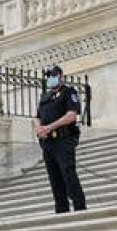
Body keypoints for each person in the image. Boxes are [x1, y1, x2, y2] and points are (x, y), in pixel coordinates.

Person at [33, 64, 87, 213]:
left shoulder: (69, 92)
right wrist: (39, 129)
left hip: (63, 139)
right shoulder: (45, 97)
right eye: (49, 76)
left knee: (68, 173)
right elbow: (37, 117)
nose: (51, 78)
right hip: (48, 142)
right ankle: (61, 210)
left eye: (54, 75)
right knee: (54, 178)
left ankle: (79, 206)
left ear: (61, 76)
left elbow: (71, 116)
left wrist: (49, 127)